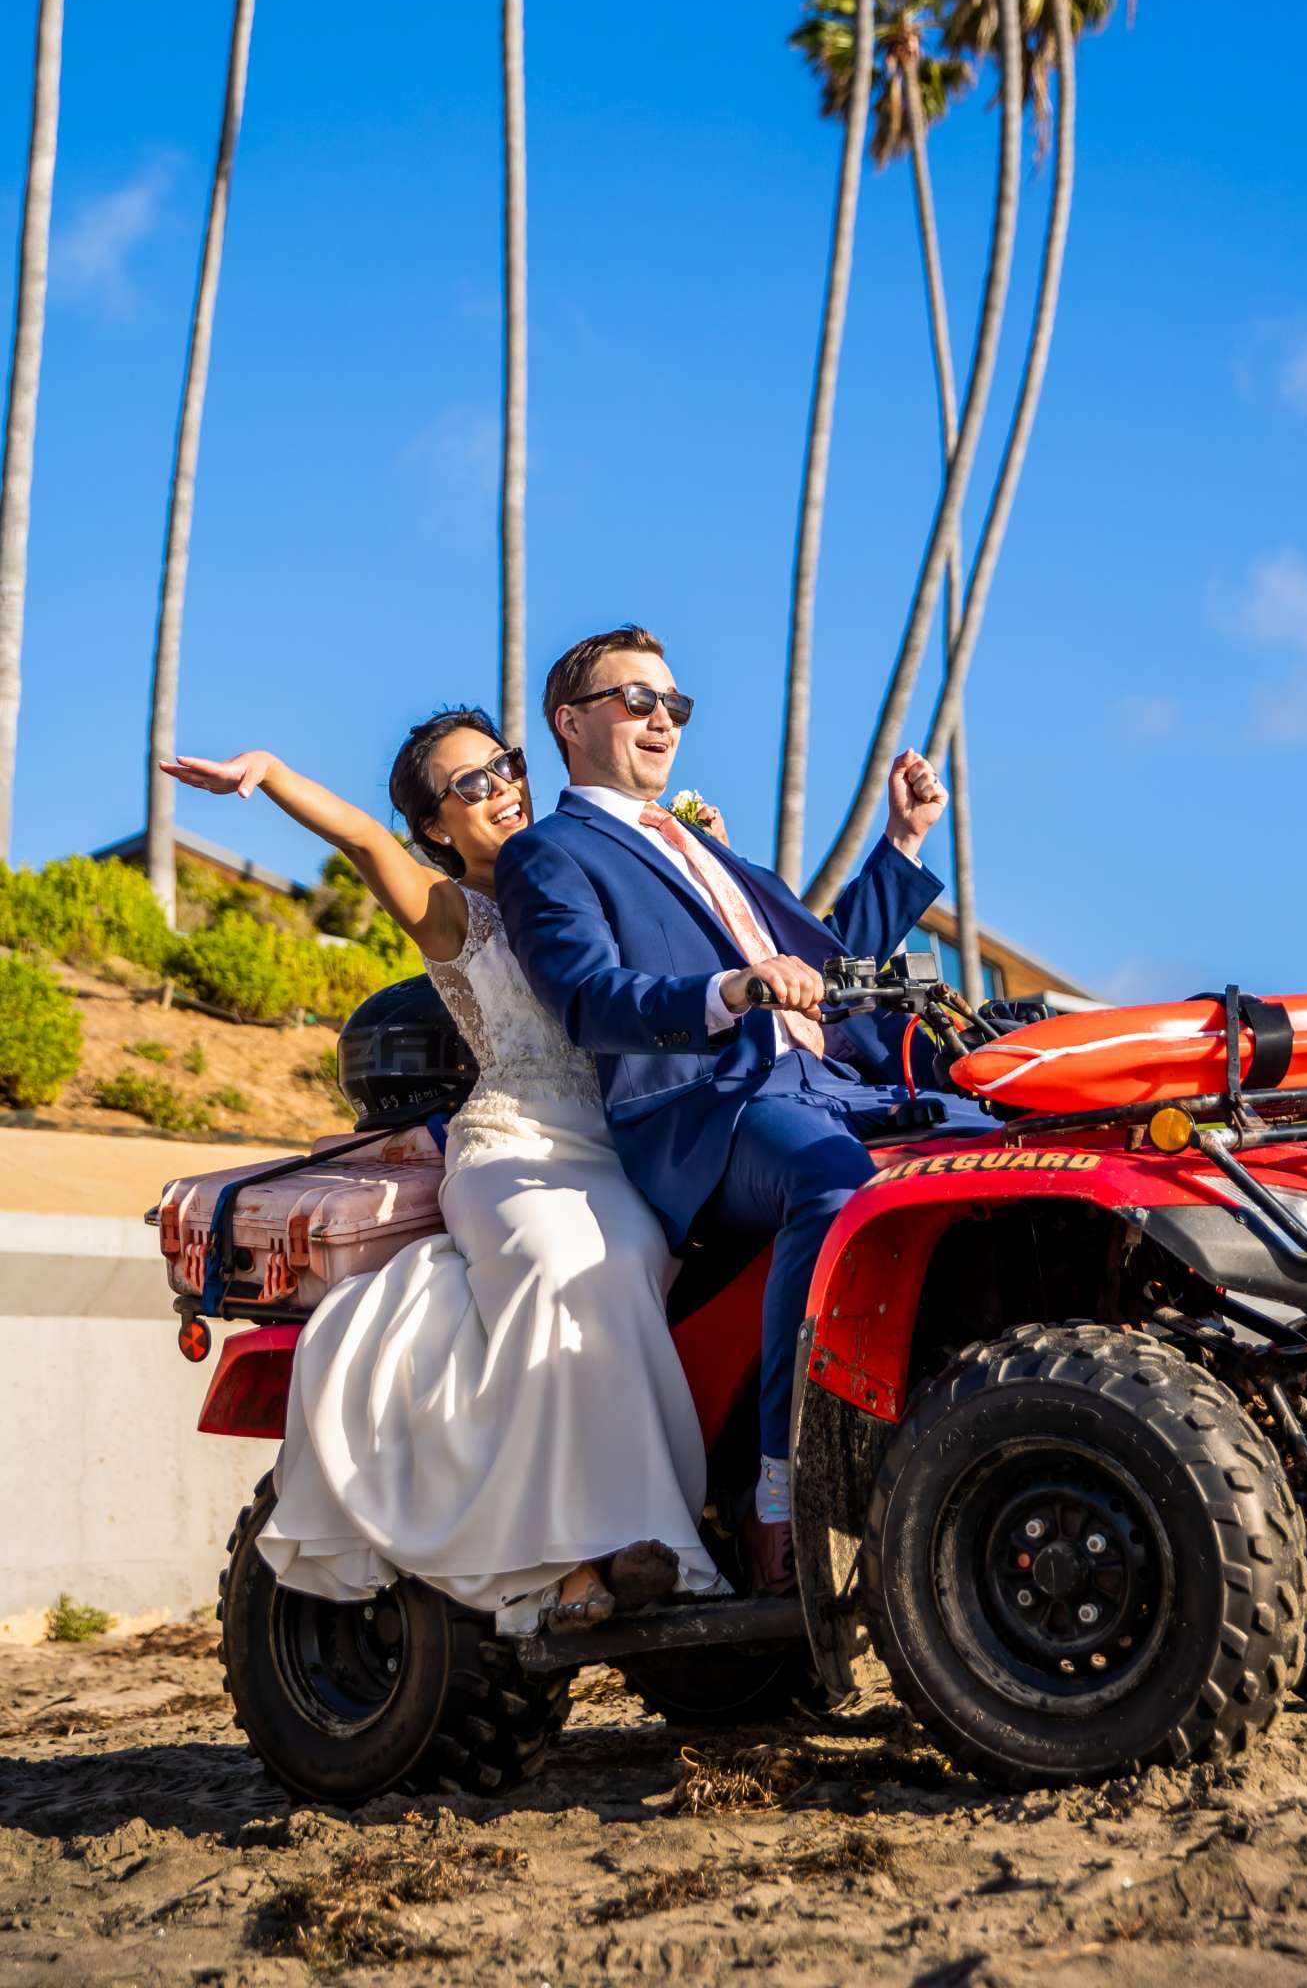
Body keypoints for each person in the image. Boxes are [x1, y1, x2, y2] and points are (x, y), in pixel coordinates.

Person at [161, 712, 723, 1632]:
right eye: (471, 784)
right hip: (516, 1150)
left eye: (504, 767)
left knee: (641, 1264)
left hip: (624, 1148)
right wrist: (268, 769)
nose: (502, 787)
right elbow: (358, 838)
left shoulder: (590, 882)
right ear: (435, 826)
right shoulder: (452, 910)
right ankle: (580, 1562)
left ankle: (686, 1528)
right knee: (568, 1268)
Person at [495, 627, 973, 1596]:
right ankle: (784, 1494)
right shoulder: (550, 853)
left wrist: (904, 842)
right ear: (571, 722)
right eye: (636, 699)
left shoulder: (706, 847)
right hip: (715, 1109)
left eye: (675, 703)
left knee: (1002, 1154)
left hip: (846, 1083)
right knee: (834, 1187)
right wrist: (730, 992)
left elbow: (829, 965)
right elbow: (589, 995)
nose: (662, 718)